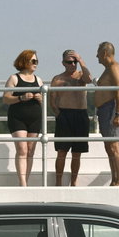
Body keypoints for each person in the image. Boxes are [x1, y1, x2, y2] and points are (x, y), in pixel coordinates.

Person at [49, 49, 93, 186]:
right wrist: (59, 114)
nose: (73, 64)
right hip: (64, 115)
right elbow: (52, 100)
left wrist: (81, 60)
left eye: (75, 62)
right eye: (69, 62)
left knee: (77, 153)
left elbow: (89, 79)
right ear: (63, 63)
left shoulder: (81, 76)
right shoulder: (57, 79)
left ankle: (74, 182)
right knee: (61, 152)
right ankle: (58, 183)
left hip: (81, 114)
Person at [2, 50, 44, 187]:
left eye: (37, 61)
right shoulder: (14, 78)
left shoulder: (38, 80)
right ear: (25, 61)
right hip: (17, 118)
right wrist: (21, 97)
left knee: (30, 151)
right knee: (22, 149)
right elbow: (6, 98)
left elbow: (44, 101)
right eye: (33, 61)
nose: (36, 64)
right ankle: (23, 183)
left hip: (35, 118)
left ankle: (26, 180)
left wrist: (40, 98)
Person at [93, 42, 119, 186]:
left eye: (98, 53)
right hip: (105, 110)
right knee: (109, 147)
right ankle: (114, 179)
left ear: (105, 53)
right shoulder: (108, 69)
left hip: (112, 109)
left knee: (114, 146)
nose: (96, 56)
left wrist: (118, 114)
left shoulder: (114, 67)